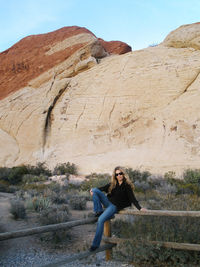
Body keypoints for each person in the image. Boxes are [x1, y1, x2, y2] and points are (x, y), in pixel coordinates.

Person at [89, 166, 147, 251]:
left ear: (123, 174)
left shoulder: (127, 185)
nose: (119, 175)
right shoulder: (113, 183)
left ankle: (95, 244)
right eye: (117, 174)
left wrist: (140, 208)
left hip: (114, 207)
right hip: (108, 202)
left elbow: (132, 198)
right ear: (115, 175)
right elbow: (101, 188)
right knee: (94, 190)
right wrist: (92, 191)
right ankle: (98, 211)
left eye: (120, 173)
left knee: (100, 220)